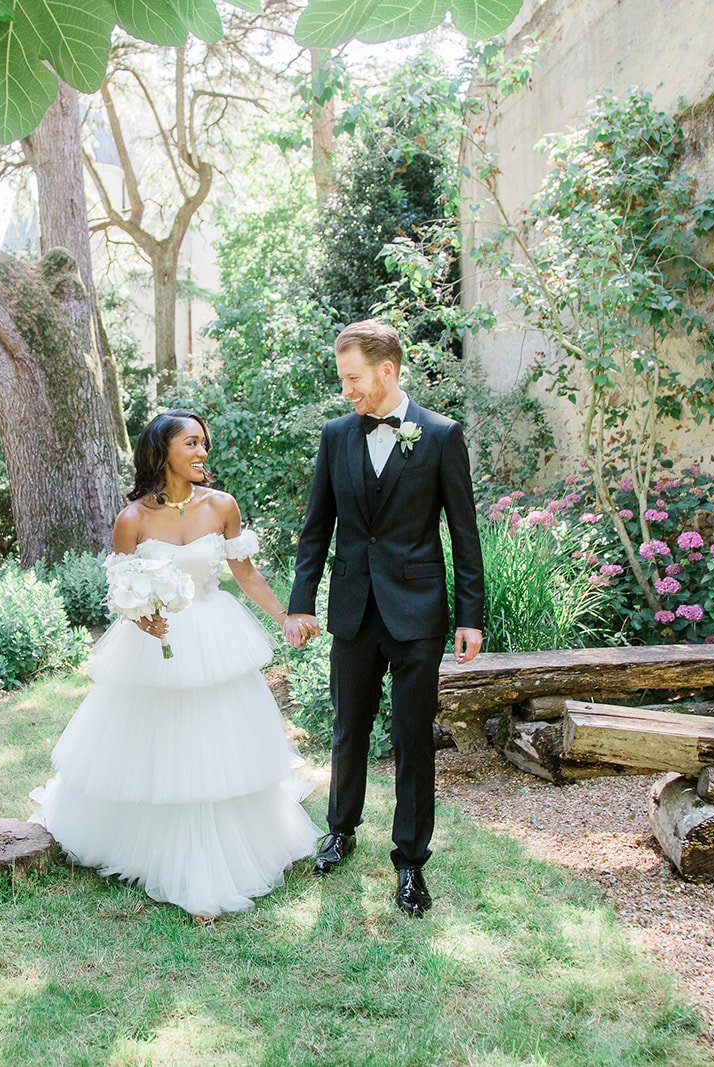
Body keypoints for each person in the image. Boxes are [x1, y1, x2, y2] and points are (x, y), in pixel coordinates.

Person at [29, 410, 320, 920]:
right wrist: (144, 621)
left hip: (214, 634)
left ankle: (224, 850)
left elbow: (246, 574)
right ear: (162, 450)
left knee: (217, 743)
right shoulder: (132, 519)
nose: (203, 452)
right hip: (157, 646)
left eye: (204, 443)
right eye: (192, 443)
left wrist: (285, 619)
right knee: (159, 746)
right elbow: (122, 592)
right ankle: (155, 848)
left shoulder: (222, 506)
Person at [283, 319, 485, 916]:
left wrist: (469, 617)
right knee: (347, 729)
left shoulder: (441, 436)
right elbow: (317, 527)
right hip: (352, 609)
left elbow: (464, 534)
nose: (347, 390)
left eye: (353, 379)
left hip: (417, 611)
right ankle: (340, 831)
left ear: (387, 372)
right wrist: (301, 602)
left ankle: (410, 863)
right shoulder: (335, 436)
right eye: (343, 380)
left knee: (412, 739)